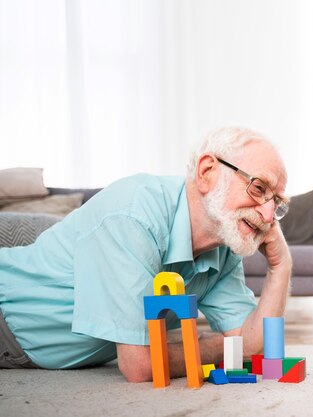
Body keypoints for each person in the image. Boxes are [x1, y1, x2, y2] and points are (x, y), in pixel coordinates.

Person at [0, 127, 292, 383]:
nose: (268, 215)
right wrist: (220, 347)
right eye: (258, 188)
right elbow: (140, 366)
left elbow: (252, 344)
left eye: (277, 202)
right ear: (207, 172)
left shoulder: (223, 249)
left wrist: (282, 265)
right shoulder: (134, 214)